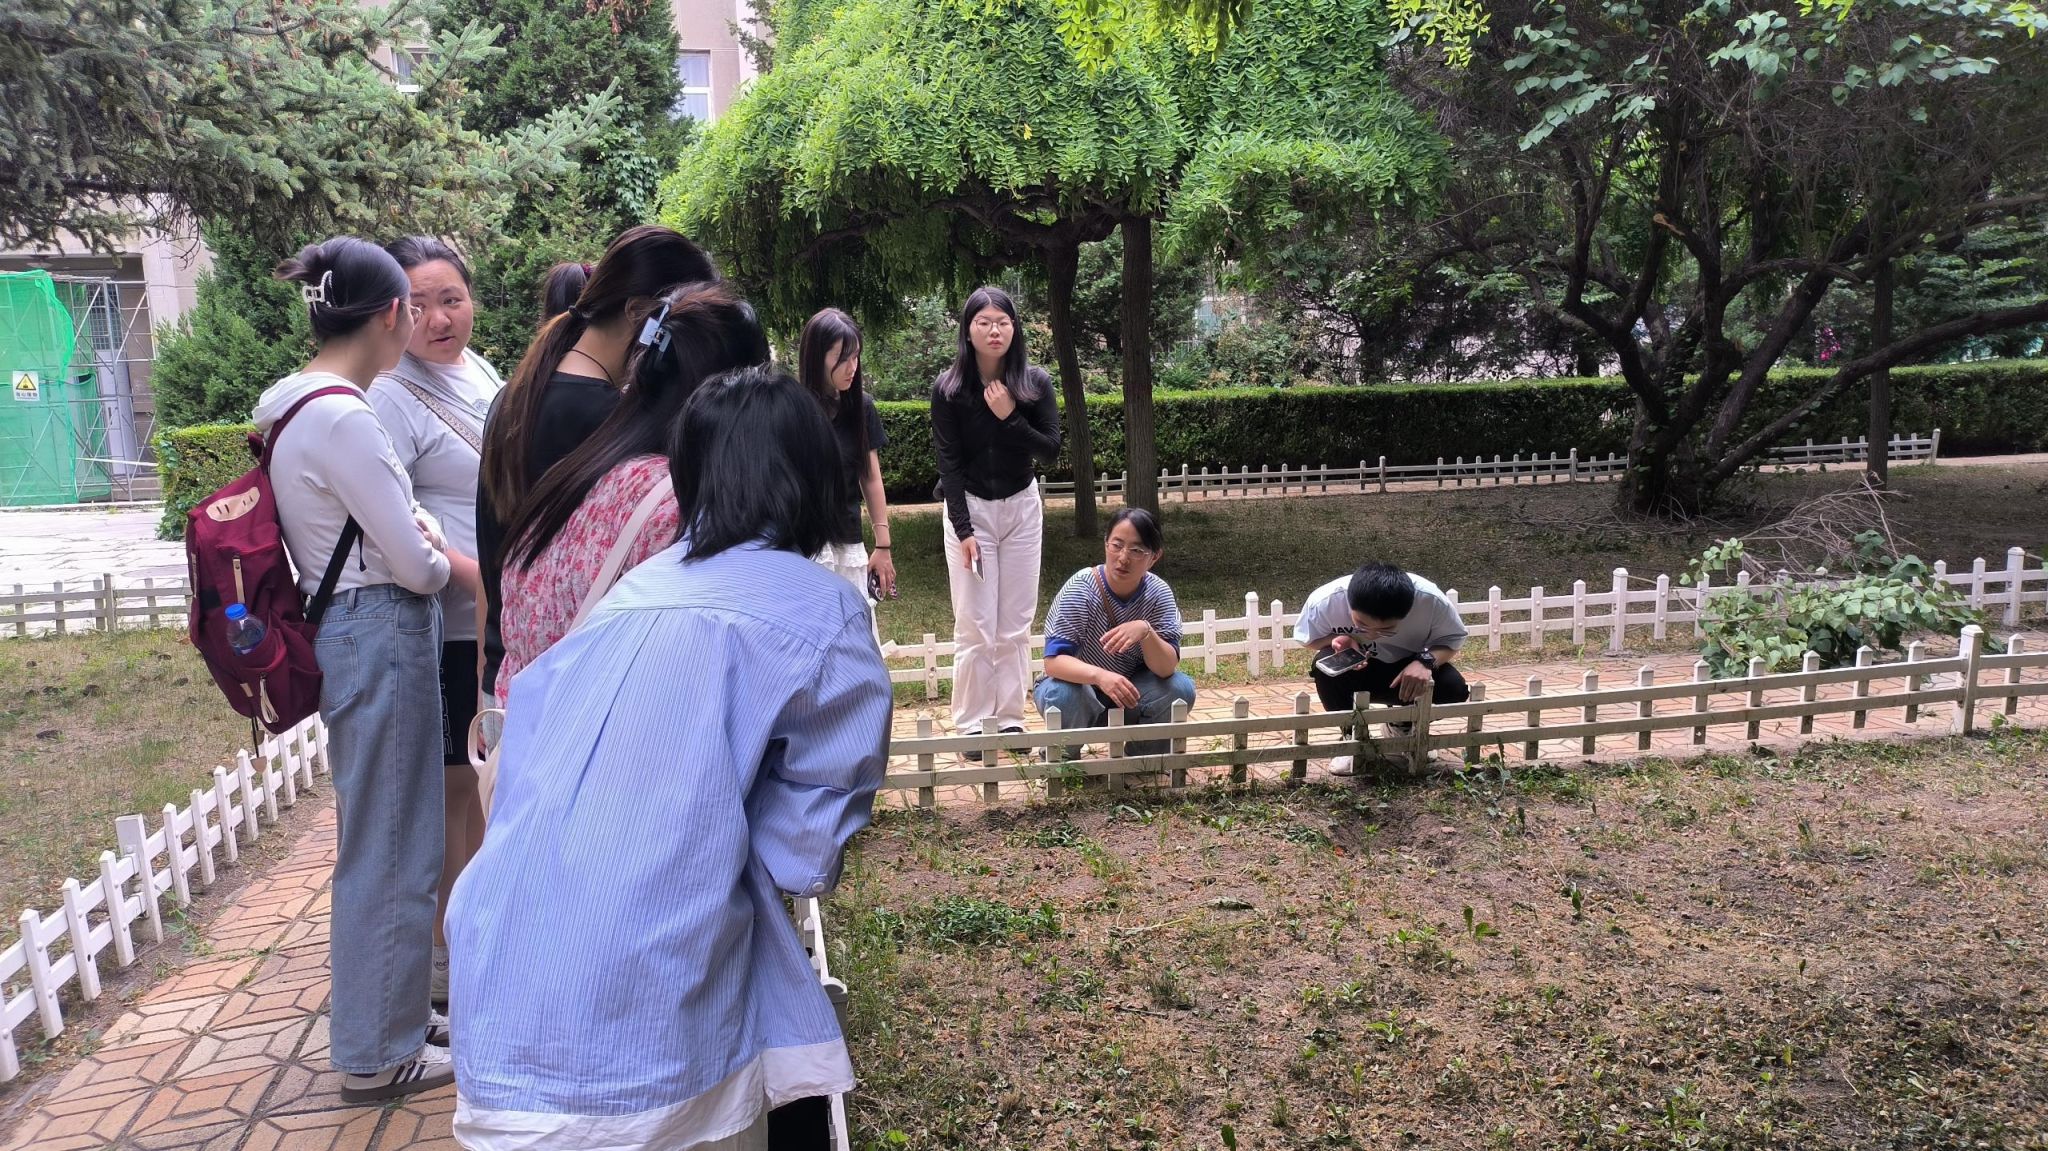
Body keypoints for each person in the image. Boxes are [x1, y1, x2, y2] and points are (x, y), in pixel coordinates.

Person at [446, 365, 892, 1151]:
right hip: (649, 1009)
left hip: (497, 984)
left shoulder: (632, 592)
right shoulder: (823, 612)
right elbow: (802, 853)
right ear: (820, 476)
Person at [256, 238, 452, 1101]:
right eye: (413, 305)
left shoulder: (292, 402)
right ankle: (378, 1052)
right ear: (391, 314)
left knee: (384, 832)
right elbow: (415, 563)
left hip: (349, 627)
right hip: (381, 628)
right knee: (393, 842)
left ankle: (394, 1016)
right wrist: (435, 545)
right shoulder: (345, 417)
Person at [476, 225, 717, 698]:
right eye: (680, 323)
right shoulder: (612, 420)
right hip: (574, 686)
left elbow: (491, 545)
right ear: (637, 313)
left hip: (509, 674)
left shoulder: (514, 394)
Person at [494, 282, 769, 697]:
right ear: (736, 399)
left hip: (527, 729)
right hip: (609, 731)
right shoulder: (678, 507)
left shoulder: (576, 472)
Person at [366, 236, 501, 1011]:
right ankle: (452, 956)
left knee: (487, 779)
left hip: (495, 614)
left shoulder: (478, 370)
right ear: (393, 312)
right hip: (452, 620)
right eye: (417, 305)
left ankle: (483, 930)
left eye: (451, 298)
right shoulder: (391, 393)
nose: (439, 319)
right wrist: (481, 577)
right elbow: (400, 520)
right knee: (456, 785)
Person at [930, 286, 1060, 760]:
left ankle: (1009, 718)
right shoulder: (948, 389)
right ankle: (971, 724)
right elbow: (948, 465)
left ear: (1014, 328)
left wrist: (1009, 417)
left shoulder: (1034, 383)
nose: (994, 330)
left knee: (1015, 621)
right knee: (975, 622)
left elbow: (1050, 450)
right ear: (968, 330)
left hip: (1021, 508)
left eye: (1002, 321)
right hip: (971, 509)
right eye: (983, 322)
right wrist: (964, 531)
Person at [1033, 508, 1197, 759]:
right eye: (1117, 545)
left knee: (1180, 689)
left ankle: (1144, 763)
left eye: (1137, 550)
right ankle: (1062, 762)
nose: (1123, 558)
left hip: (1128, 697)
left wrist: (1145, 631)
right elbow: (1053, 662)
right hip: (1079, 692)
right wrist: (1100, 676)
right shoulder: (1080, 588)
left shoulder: (1159, 594)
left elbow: (1166, 668)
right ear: (1105, 544)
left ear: (1154, 557)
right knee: (1064, 694)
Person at [1294, 561, 1471, 775]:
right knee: (1324, 665)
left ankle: (1402, 724)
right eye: (1361, 624)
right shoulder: (1326, 601)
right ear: (1349, 603)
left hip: (1406, 668)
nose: (1372, 634)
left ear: (1409, 611)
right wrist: (1340, 639)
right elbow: (1308, 639)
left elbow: (1452, 640)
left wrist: (1425, 661)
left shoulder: (1430, 601)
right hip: (1357, 668)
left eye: (1387, 629)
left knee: (1454, 689)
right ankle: (1351, 738)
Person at [797, 307, 896, 607]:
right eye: (842, 358)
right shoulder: (793, 408)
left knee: (855, 625)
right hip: (803, 546)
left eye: (855, 357)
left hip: (848, 541)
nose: (852, 367)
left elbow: (871, 477)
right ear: (816, 356)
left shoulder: (861, 408)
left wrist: (883, 545)